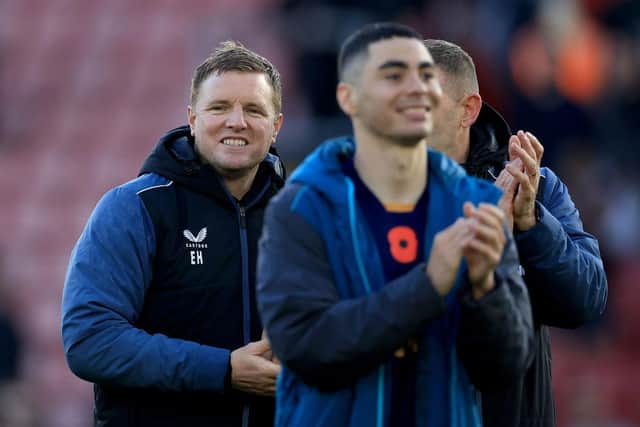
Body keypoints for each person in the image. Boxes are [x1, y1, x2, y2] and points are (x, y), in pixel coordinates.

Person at [256, 23, 534, 427]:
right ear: (348, 98)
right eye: (393, 76)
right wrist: (428, 286)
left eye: (424, 77)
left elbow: (504, 369)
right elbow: (306, 348)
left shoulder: (477, 204)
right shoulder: (302, 207)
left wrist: (484, 289)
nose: (416, 89)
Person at [61, 41, 285, 427]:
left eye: (253, 110)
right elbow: (90, 340)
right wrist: (224, 370)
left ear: (276, 126)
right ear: (192, 119)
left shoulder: (300, 216)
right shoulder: (134, 208)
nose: (237, 121)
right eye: (219, 107)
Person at [424, 38, 608, 427]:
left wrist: (531, 226)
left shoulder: (534, 187)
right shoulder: (361, 196)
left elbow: (587, 302)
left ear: (468, 110)